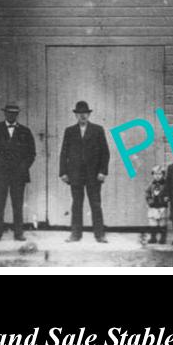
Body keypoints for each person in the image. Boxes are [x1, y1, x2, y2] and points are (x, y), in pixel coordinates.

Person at [0, 103, 36, 241]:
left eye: (14, 113)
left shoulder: (25, 131)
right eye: (9, 113)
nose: (11, 115)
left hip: (18, 174)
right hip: (0, 174)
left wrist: (23, 167)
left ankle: (19, 233)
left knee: (17, 204)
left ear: (17, 115)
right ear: (5, 114)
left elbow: (31, 153)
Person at [58, 100, 109, 242]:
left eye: (85, 113)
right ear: (76, 115)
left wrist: (103, 171)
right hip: (75, 174)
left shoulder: (98, 130)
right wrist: (63, 172)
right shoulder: (70, 131)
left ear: (89, 114)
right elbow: (64, 152)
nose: (83, 116)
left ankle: (100, 235)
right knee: (76, 204)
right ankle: (75, 234)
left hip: (94, 174)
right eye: (80, 114)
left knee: (96, 204)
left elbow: (105, 152)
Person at [143, 165, 168, 244]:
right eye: (155, 174)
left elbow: (169, 192)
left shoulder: (166, 185)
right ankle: (153, 237)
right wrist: (149, 200)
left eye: (159, 174)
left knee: (162, 222)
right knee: (152, 221)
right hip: (153, 205)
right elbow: (147, 192)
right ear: (153, 175)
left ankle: (162, 238)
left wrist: (167, 198)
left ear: (163, 175)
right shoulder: (151, 185)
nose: (157, 176)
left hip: (162, 205)